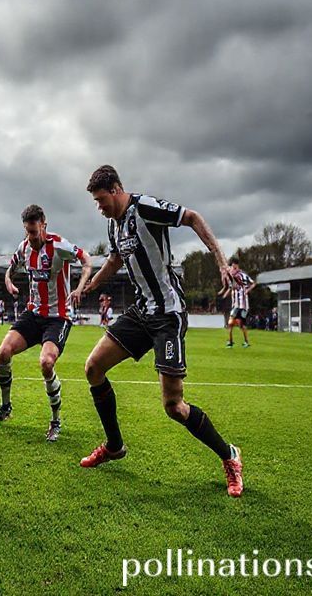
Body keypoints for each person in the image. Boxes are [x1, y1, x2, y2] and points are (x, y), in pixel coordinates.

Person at [80, 164, 244, 497]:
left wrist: (221, 259)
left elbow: (193, 217)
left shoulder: (145, 207)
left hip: (168, 314)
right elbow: (114, 259)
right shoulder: (115, 225)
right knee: (93, 367)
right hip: (142, 311)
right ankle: (114, 446)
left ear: (115, 189)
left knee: (173, 405)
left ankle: (229, 456)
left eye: (100, 200)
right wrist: (91, 286)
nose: (99, 208)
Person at [0, 204, 92, 442]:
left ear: (44, 225)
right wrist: (9, 281)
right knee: (3, 353)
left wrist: (80, 287)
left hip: (58, 317)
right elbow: (9, 269)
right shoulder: (23, 248)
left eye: (34, 232)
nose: (30, 238)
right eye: (27, 232)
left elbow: (87, 261)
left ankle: (55, 420)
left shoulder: (59, 246)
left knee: (46, 362)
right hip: (34, 314)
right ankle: (5, 407)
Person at [218, 258, 256, 348]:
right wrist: (225, 294)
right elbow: (231, 286)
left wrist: (247, 290)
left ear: (237, 265)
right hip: (235, 304)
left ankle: (245, 342)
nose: (233, 268)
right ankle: (231, 342)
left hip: (243, 304)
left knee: (240, 324)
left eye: (234, 266)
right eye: (232, 266)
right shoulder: (232, 276)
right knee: (230, 323)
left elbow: (253, 283)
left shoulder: (242, 275)